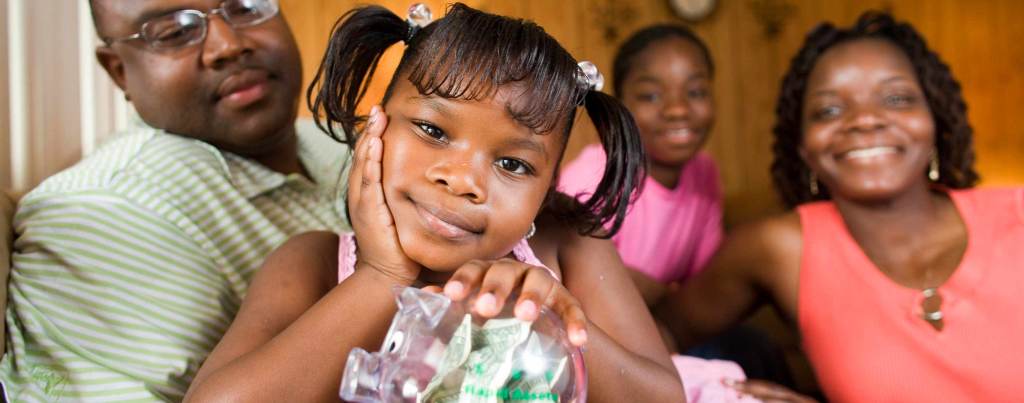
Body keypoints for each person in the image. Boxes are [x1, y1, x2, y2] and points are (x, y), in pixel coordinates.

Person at [184, 4, 684, 402]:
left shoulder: (569, 249)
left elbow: (664, 397)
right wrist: (383, 276)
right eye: (432, 130)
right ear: (374, 127)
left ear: (546, 189)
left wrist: (552, 321)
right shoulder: (311, 264)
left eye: (513, 164)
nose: (463, 180)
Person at [656, 11, 1024, 402]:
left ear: (935, 120)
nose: (864, 119)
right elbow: (658, 332)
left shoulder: (1016, 213)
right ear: (804, 148)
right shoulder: (780, 249)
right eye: (829, 110)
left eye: (897, 99)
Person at [0, 0, 350, 401]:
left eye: (245, 6)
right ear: (119, 71)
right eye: (174, 31)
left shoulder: (334, 141)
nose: (228, 44)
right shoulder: (104, 213)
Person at [559, 24, 722, 307]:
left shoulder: (705, 172)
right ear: (622, 106)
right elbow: (571, 277)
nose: (678, 110)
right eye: (651, 96)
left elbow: (703, 284)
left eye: (695, 92)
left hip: (666, 322)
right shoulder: (592, 178)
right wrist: (662, 294)